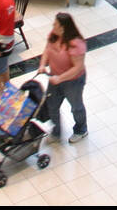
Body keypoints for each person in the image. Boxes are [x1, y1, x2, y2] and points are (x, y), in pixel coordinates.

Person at [37, 12, 88, 143]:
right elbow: (47, 50)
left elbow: (77, 67)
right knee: (51, 105)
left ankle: (81, 130)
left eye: (56, 24)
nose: (53, 26)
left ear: (63, 28)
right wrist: (42, 65)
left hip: (73, 82)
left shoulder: (76, 44)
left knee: (76, 107)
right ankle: (56, 131)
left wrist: (60, 78)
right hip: (55, 78)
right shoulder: (53, 36)